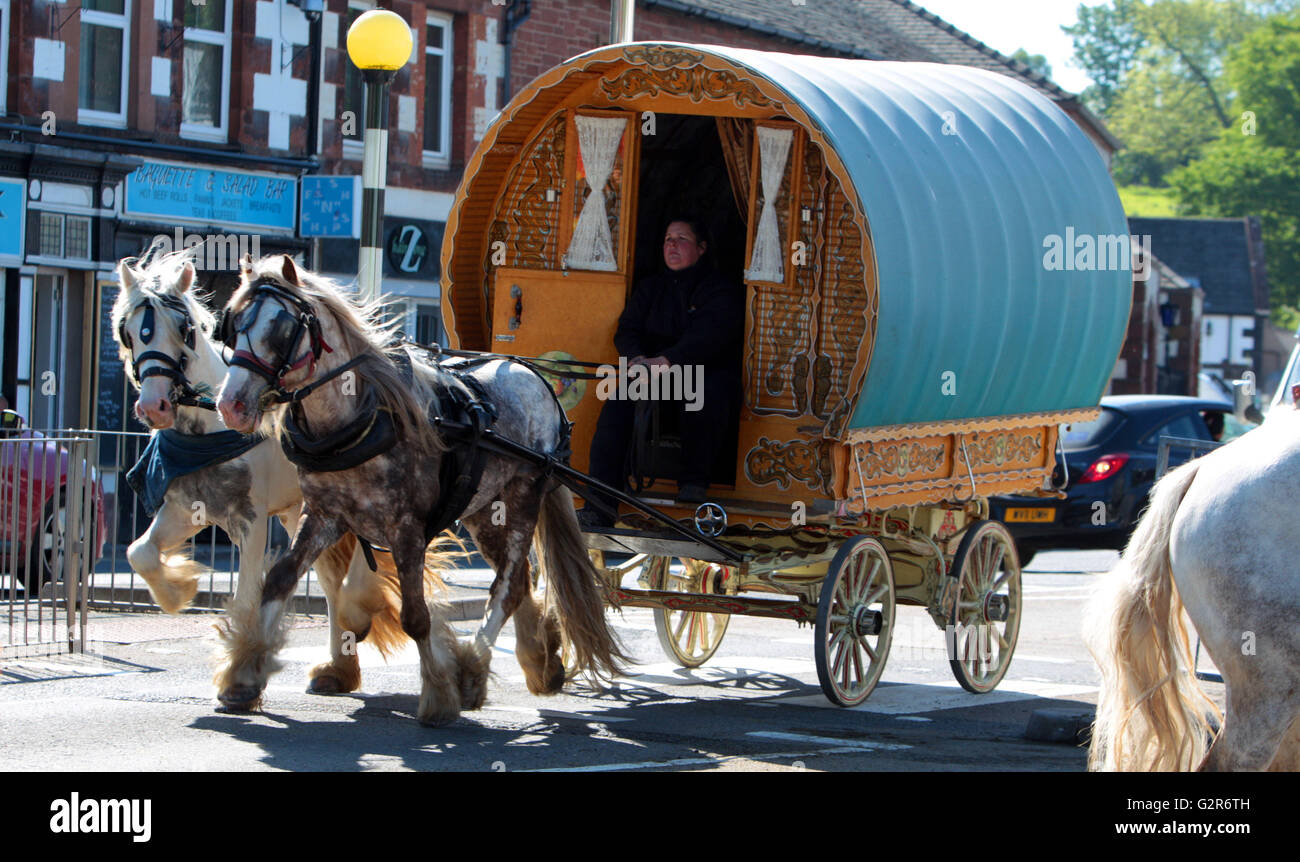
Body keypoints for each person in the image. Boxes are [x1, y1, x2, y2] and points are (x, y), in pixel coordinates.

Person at [579, 216, 744, 528]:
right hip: (652, 374)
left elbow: (712, 335)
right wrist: (637, 358)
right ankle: (599, 505)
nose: (672, 245)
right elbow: (626, 329)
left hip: (702, 371)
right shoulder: (650, 288)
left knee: (705, 393)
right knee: (615, 409)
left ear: (702, 247)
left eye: (681, 239)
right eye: (668, 239)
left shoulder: (720, 289)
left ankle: (693, 484)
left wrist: (668, 360)